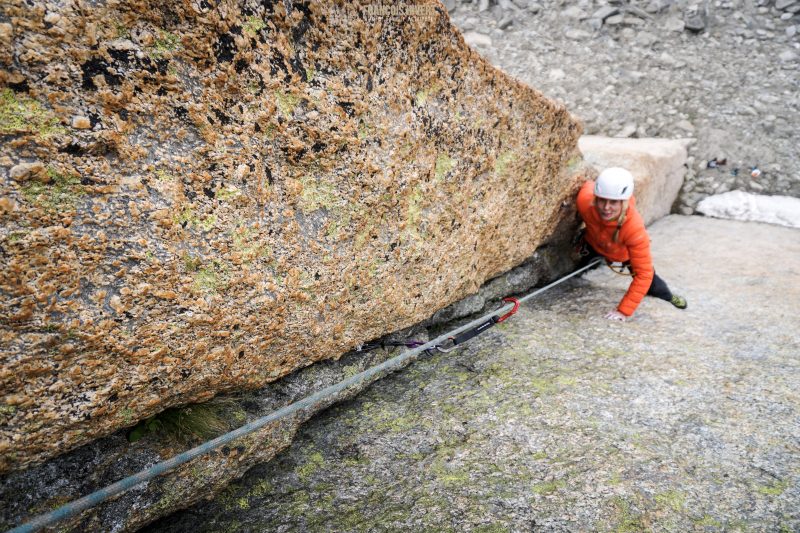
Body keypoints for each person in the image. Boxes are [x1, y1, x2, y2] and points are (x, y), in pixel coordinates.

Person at [575, 167, 687, 321]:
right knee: (580, 267)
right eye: (602, 200)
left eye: (614, 202)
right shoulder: (585, 202)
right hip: (595, 244)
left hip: (624, 255)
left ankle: (669, 297)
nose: (606, 207)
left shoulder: (633, 228)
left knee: (653, 284)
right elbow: (586, 183)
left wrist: (623, 311)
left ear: (624, 202)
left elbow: (644, 274)